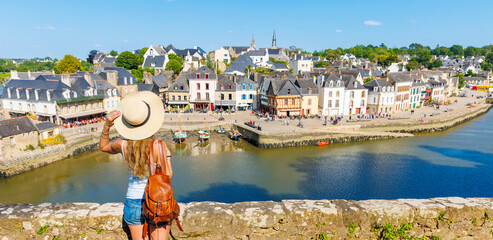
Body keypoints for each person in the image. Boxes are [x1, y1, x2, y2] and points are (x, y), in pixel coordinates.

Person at [100, 92, 172, 240]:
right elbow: (168, 176)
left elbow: (104, 147)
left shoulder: (123, 145)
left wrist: (107, 125)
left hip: (133, 202)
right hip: (156, 201)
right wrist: (167, 154)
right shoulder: (158, 146)